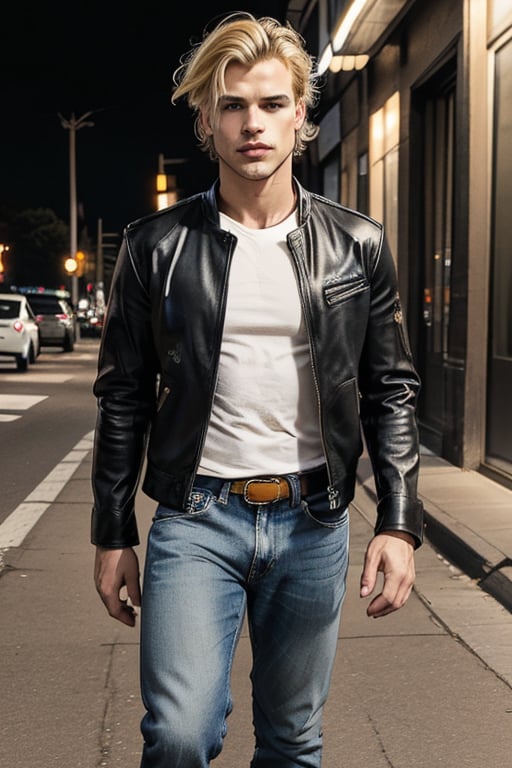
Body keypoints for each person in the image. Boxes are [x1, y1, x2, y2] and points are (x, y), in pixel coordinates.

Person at [92, 12, 424, 768]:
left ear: (302, 115)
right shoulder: (156, 247)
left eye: (272, 105)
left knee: (291, 739)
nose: (253, 124)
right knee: (178, 735)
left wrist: (400, 523)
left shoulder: (357, 244)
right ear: (206, 119)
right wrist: (112, 530)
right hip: (196, 516)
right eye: (234, 105)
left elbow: (391, 390)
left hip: (313, 521)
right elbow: (123, 398)